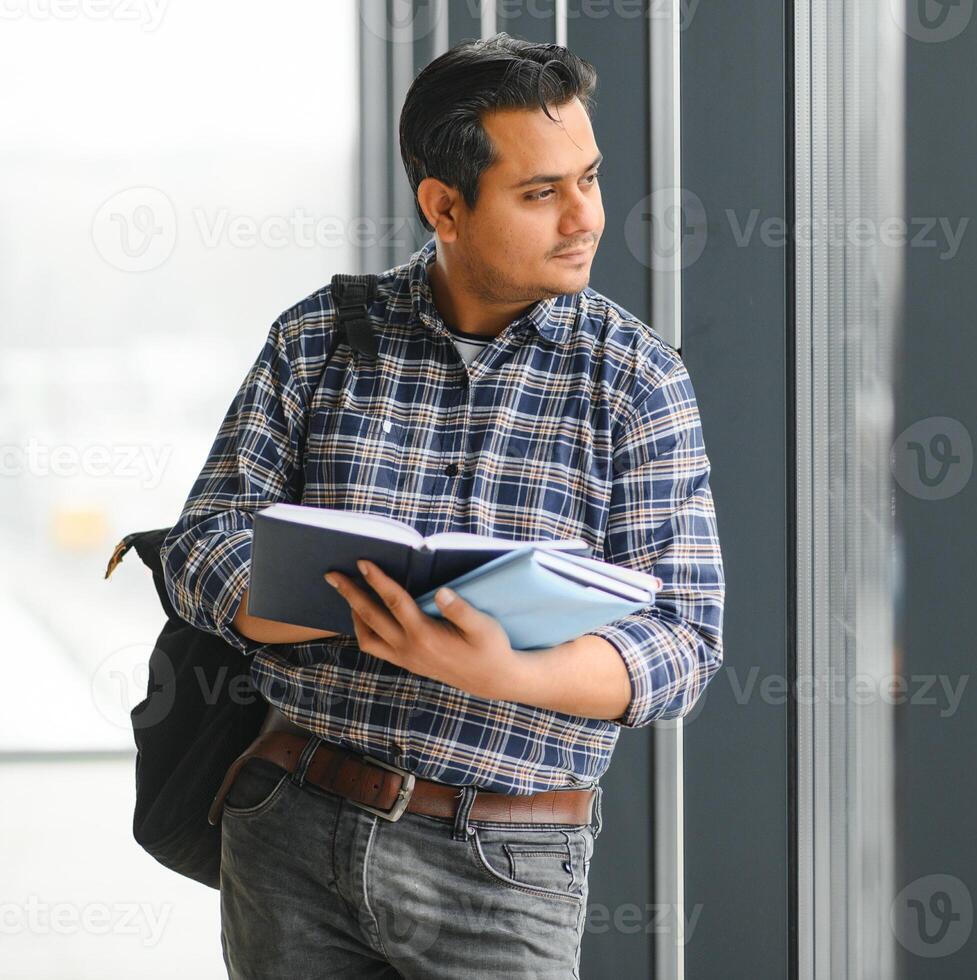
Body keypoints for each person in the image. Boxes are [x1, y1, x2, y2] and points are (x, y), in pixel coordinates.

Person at [160, 34, 725, 978]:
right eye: (541, 193)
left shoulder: (636, 380)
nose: (584, 216)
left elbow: (684, 644)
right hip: (292, 824)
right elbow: (199, 548)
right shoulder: (320, 338)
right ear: (444, 206)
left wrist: (502, 669)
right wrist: (343, 604)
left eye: (588, 178)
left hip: (504, 866)